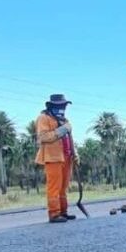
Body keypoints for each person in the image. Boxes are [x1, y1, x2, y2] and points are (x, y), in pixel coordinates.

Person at [34, 93, 77, 223]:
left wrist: (75, 154)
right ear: (51, 105)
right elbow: (43, 137)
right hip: (53, 157)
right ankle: (54, 214)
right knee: (54, 187)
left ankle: (63, 212)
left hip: (66, 156)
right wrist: (62, 130)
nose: (62, 108)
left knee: (63, 187)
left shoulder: (65, 120)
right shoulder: (44, 118)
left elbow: (70, 139)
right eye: (59, 105)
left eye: (64, 105)